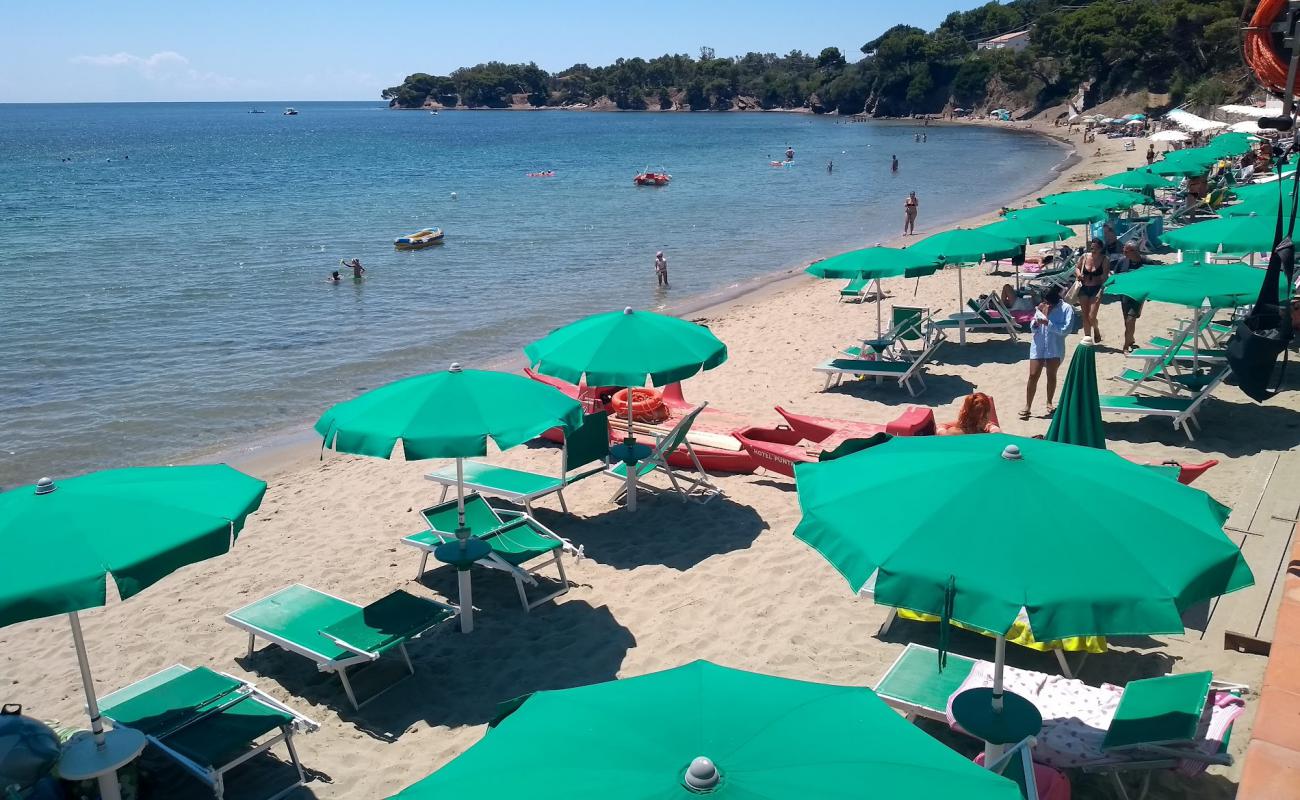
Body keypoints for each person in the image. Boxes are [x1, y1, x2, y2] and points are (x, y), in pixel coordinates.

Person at [1022, 286, 1075, 419]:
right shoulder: (1041, 306)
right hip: (1038, 344)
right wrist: (1035, 323)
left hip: (1054, 346)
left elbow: (1066, 330)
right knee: (1033, 375)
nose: (1047, 304)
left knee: (1051, 375)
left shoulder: (1066, 309)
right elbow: (1033, 326)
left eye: (1049, 302)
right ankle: (1027, 406)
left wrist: (1048, 323)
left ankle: (1049, 401)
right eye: (1046, 301)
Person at [1113, 242, 1146, 352]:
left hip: (1137, 297)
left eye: (1126, 251)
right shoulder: (1122, 261)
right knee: (1127, 321)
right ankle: (1130, 339)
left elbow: (1156, 275)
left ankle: (1125, 347)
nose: (1124, 253)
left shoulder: (1146, 262)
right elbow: (1115, 276)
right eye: (1124, 250)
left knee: (1130, 320)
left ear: (1134, 251)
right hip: (1125, 296)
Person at [1075, 238, 1109, 342]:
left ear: (1100, 249)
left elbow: (1105, 276)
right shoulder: (1084, 257)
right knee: (1085, 316)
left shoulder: (1104, 259)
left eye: (1095, 248)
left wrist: (1102, 286)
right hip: (1084, 288)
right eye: (1092, 248)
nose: (1093, 250)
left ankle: (1096, 329)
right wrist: (1079, 274)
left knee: (1091, 316)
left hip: (1096, 288)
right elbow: (1077, 268)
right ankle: (1088, 339)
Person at [937, 392, 1001, 435]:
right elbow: (997, 432)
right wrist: (991, 426)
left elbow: (939, 428)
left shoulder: (952, 433)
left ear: (964, 411)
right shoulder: (990, 435)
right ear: (986, 416)